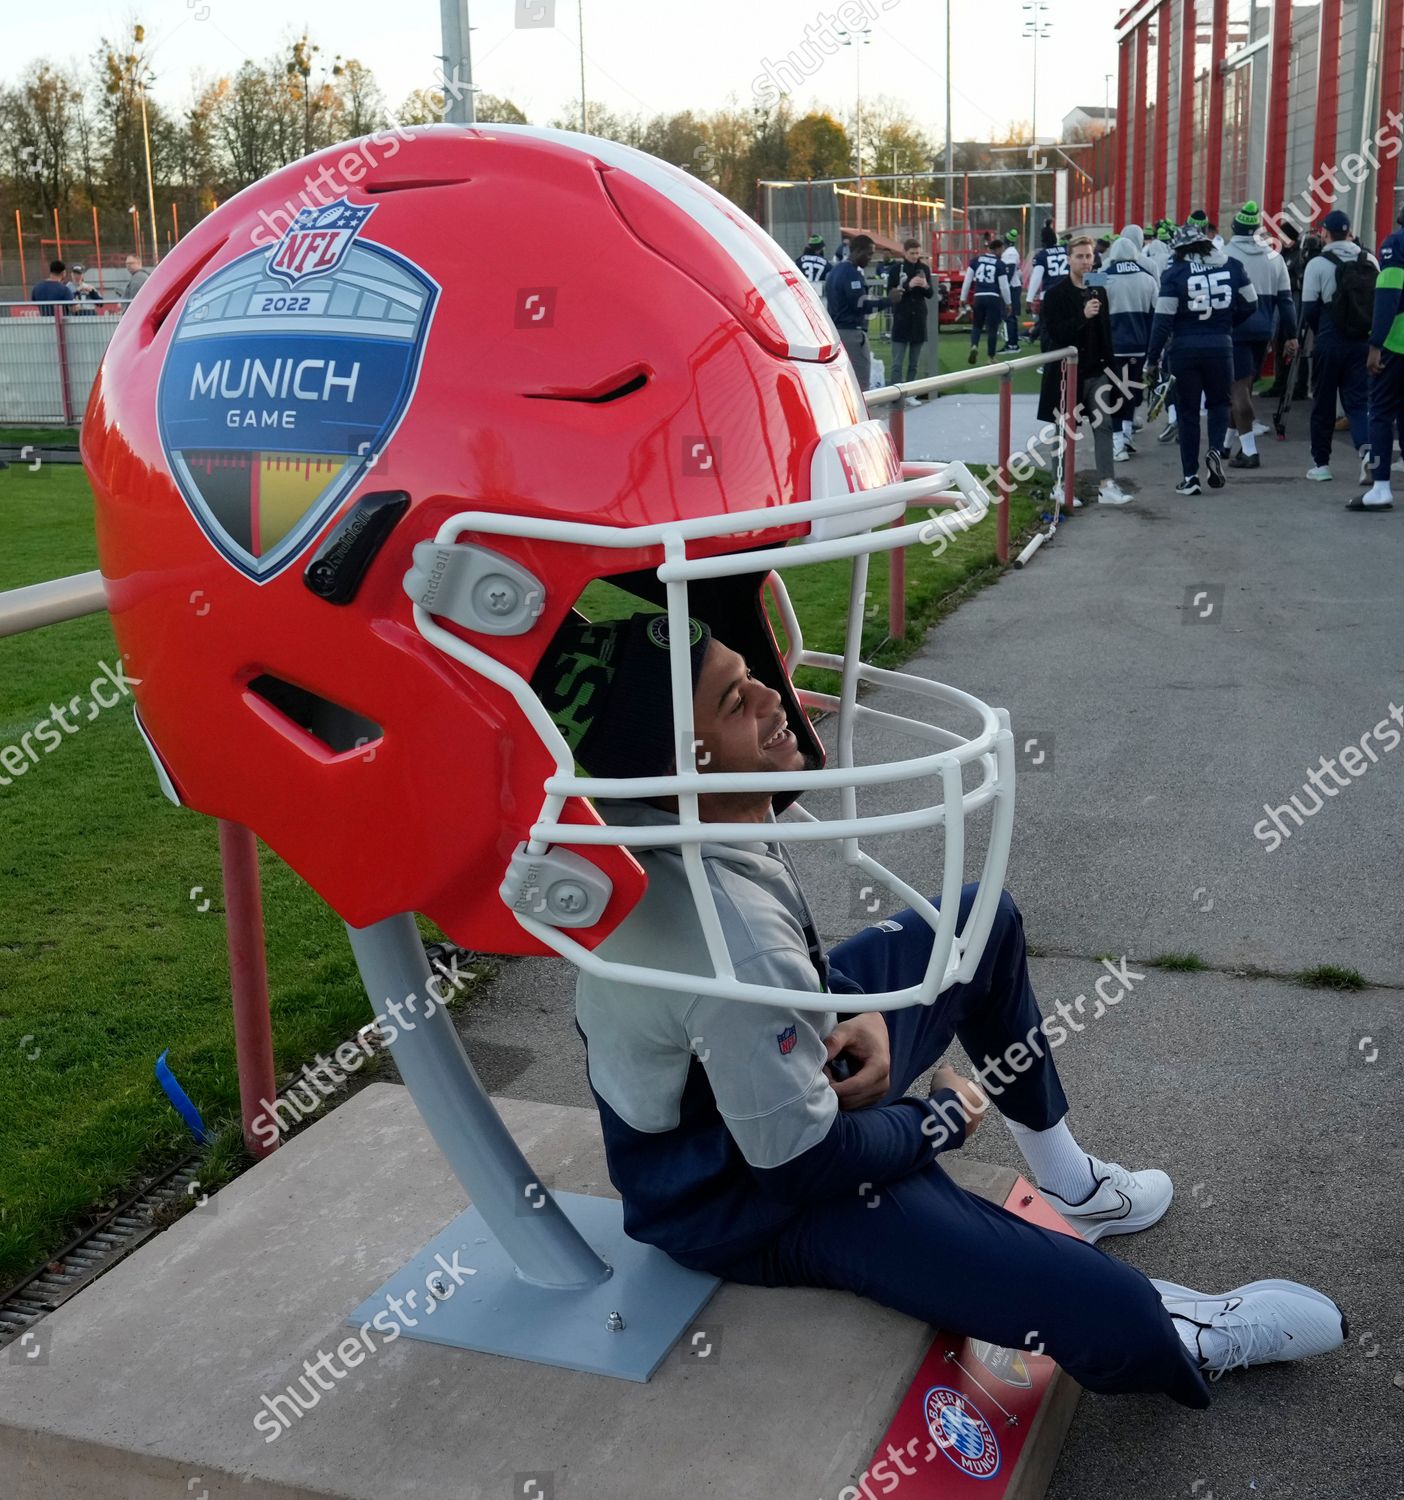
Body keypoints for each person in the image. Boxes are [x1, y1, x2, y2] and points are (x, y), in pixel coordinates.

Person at [530, 610, 1346, 1411]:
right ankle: (1188, 1337)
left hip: (760, 1081)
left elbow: (781, 989)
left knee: (978, 923)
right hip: (747, 1197)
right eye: (737, 703)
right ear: (675, 761)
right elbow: (800, 1163)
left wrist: (861, 1014)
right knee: (1109, 1307)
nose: (774, 700)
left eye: (749, 677)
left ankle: (1071, 1186)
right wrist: (941, 1118)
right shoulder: (721, 938)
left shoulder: (674, 822)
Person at [1145, 221, 1258, 496]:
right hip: (1221, 345)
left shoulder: (1175, 273)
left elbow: (1162, 321)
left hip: (1184, 347)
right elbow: (1251, 303)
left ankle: (1190, 476)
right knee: (1220, 404)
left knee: (1188, 413)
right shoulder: (1232, 266)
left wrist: (1151, 359)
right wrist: (1226, 324)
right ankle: (1215, 451)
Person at [1036, 235, 1132, 505]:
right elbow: (1055, 334)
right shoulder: (1055, 293)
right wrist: (1083, 315)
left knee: (1104, 426)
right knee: (1063, 430)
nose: (1086, 261)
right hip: (1067, 374)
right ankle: (1060, 484)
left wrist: (1113, 371)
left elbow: (1105, 335)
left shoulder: (1098, 288)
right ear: (1069, 259)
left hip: (1097, 370)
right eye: (1080, 256)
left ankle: (1107, 484)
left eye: (1089, 256)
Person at [1300, 210, 1376, 486]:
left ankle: (1321, 465)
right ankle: (1367, 454)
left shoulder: (1317, 264)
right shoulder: (1369, 259)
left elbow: (1309, 308)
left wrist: (1322, 332)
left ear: (1325, 233)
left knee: (1323, 403)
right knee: (1358, 402)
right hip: (1361, 341)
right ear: (1349, 233)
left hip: (1330, 339)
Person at [1222, 202, 1298, 469]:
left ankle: (1250, 452)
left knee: (1238, 389)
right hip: (1264, 330)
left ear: (1234, 228)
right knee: (1245, 387)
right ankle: (1226, 444)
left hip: (1233, 330)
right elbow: (1286, 301)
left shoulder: (1224, 254)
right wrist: (1291, 335)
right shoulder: (1274, 257)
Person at [1359, 200, 1404, 511]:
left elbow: (1388, 296)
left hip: (1397, 343)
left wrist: (1376, 344)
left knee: (1381, 412)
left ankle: (1380, 486)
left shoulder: (1396, 244)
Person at [1102, 231, 1159, 462]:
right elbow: (1157, 316)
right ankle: (1124, 436)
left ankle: (1118, 442)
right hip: (1139, 347)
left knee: (1115, 394)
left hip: (1112, 347)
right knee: (1131, 391)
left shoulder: (1101, 277)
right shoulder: (1147, 278)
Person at [824, 233, 891, 389]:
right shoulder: (851, 273)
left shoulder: (836, 270)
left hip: (837, 331)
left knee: (842, 384)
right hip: (850, 333)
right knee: (860, 384)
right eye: (869, 254)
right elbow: (861, 305)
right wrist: (889, 300)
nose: (870, 259)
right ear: (859, 251)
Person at [885, 238, 934, 396]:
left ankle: (911, 393)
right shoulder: (896, 269)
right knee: (897, 362)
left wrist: (925, 285)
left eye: (917, 253)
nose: (915, 256)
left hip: (918, 317)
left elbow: (930, 293)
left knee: (914, 362)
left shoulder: (924, 268)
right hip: (901, 317)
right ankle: (894, 394)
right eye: (912, 253)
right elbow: (890, 292)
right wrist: (908, 285)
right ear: (904, 253)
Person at [960, 237, 1011, 364]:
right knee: (992, 328)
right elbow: (1004, 286)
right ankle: (990, 357)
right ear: (998, 249)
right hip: (993, 297)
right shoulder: (1000, 264)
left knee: (977, 325)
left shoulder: (976, 260)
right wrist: (1008, 302)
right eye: (1002, 250)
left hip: (979, 296)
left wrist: (963, 297)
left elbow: (967, 281)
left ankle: (974, 346)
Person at [1026, 236, 1071, 345]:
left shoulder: (1042, 255)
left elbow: (1036, 277)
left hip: (1048, 296)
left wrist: (1029, 299)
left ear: (1043, 242)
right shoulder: (1066, 251)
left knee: (1046, 329)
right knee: (1067, 327)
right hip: (1067, 294)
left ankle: (1049, 358)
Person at [1000, 229, 1024, 351]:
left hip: (1011, 287)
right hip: (1014, 286)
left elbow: (1009, 271)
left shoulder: (1010, 253)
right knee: (1011, 316)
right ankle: (1013, 343)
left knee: (1008, 315)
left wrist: (1004, 288)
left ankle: (1011, 344)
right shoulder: (1011, 252)